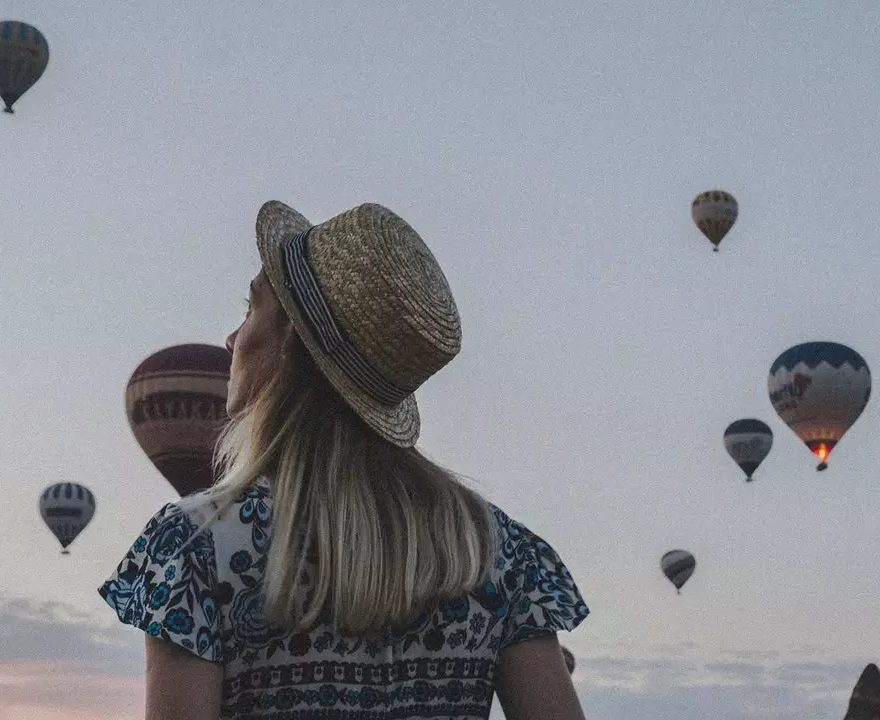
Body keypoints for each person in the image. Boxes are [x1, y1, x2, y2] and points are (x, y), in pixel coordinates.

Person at [99, 201, 588, 719]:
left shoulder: (193, 547)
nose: (231, 339)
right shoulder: (497, 550)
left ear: (289, 340)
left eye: (250, 309)